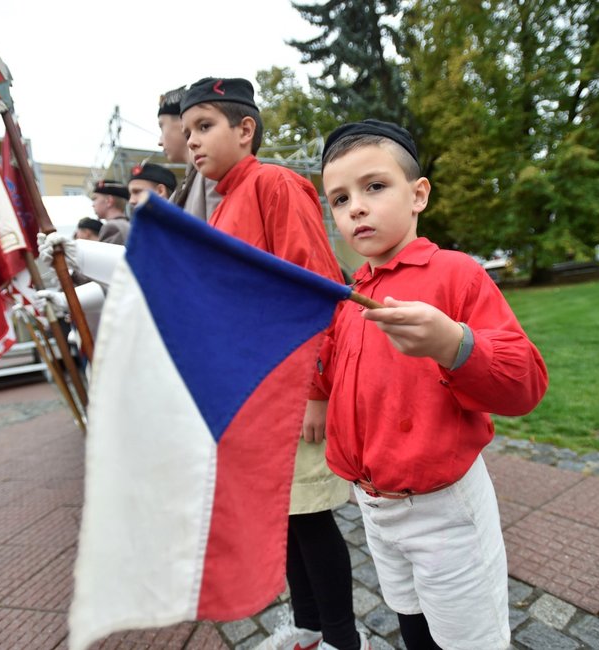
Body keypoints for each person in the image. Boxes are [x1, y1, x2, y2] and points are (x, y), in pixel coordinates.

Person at [307, 120, 549, 650]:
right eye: (340, 198)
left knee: (467, 639)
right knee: (411, 621)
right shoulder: (349, 297)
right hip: (375, 506)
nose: (356, 208)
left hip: (445, 512)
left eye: (375, 186)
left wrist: (454, 344)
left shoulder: (457, 274)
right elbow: (331, 365)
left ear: (418, 195)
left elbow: (525, 384)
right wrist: (315, 392)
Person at [180, 77, 365, 650]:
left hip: (289, 387)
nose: (192, 142)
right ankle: (308, 627)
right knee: (281, 518)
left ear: (245, 129)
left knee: (309, 518)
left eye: (205, 126)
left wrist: (315, 388)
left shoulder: (275, 184)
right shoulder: (224, 203)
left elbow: (313, 285)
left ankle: (341, 637)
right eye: (187, 131)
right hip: (252, 391)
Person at [157, 84, 220, 220]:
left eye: (162, 127)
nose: (160, 141)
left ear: (183, 123)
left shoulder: (212, 174)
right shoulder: (189, 181)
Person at [91, 180, 131, 244]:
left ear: (109, 201)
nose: (93, 205)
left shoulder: (112, 227)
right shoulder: (128, 224)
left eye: (95, 199)